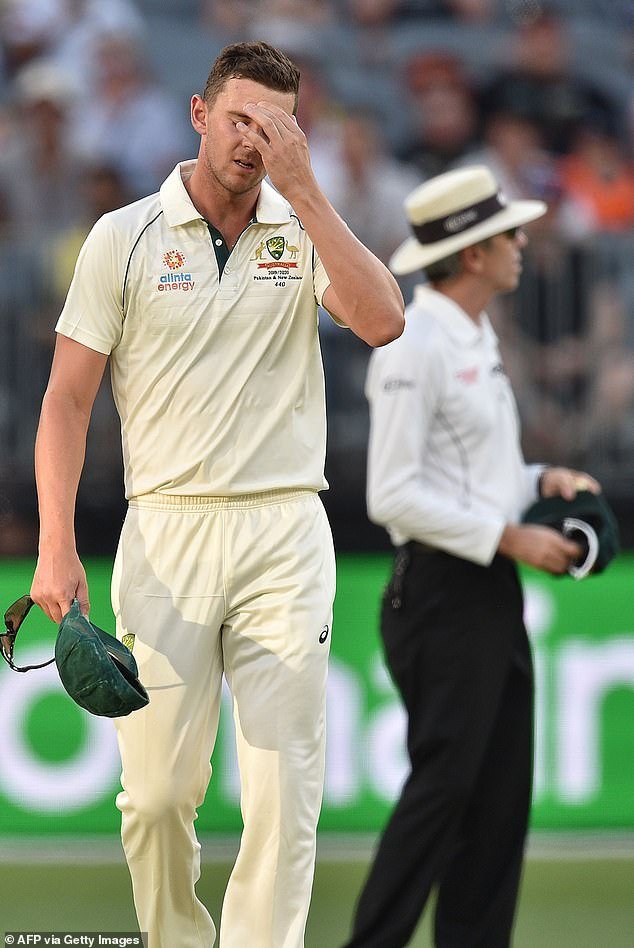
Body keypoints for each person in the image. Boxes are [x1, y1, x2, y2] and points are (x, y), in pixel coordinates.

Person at [29, 40, 404, 948]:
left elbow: (385, 320)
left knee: (285, 793)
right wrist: (54, 542)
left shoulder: (301, 227)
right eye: (238, 118)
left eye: (274, 126)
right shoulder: (124, 237)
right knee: (156, 800)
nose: (252, 140)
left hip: (284, 530)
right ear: (199, 115)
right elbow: (67, 401)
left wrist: (309, 195)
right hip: (166, 530)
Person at [344, 165, 599, 948]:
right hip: (441, 597)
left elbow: (471, 483)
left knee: (495, 807)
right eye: (508, 233)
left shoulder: (472, 334)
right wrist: (508, 537)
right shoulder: (413, 343)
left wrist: (537, 481)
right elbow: (391, 495)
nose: (523, 243)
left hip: (484, 594)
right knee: (444, 794)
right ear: (475, 253)